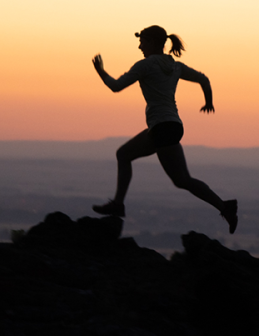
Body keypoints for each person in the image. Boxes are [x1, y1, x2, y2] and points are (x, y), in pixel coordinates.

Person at [91, 25, 238, 234]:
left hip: (161, 128)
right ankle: (225, 207)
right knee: (172, 175)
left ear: (151, 42)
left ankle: (118, 204)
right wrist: (209, 102)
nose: (140, 46)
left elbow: (116, 86)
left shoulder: (145, 66)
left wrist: (100, 71)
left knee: (170, 175)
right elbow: (204, 79)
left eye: (142, 41)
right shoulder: (175, 66)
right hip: (172, 126)